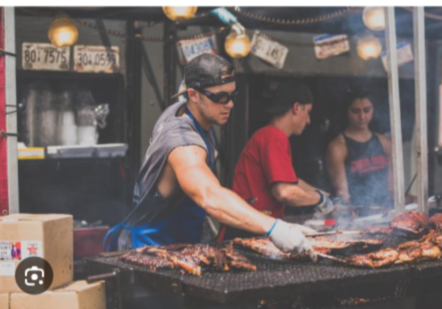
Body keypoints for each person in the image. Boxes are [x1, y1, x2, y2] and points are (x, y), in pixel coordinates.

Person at [104, 54, 316, 258]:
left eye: (232, 95)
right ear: (193, 95)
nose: (230, 104)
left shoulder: (189, 110)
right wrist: (274, 228)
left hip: (181, 246)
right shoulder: (183, 142)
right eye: (221, 97)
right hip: (151, 252)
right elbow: (209, 195)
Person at [218, 81, 336, 241]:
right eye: (308, 112)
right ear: (296, 108)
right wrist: (320, 199)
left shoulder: (269, 135)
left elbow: (293, 181)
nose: (308, 120)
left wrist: (323, 194)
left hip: (251, 229)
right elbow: (285, 192)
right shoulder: (274, 138)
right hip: (247, 232)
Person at [326, 92, 393, 215]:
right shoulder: (338, 147)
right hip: (357, 216)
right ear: (346, 111)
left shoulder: (385, 142)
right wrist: (351, 217)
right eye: (355, 111)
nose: (362, 116)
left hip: (386, 212)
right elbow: (342, 194)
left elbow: (392, 188)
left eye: (367, 110)